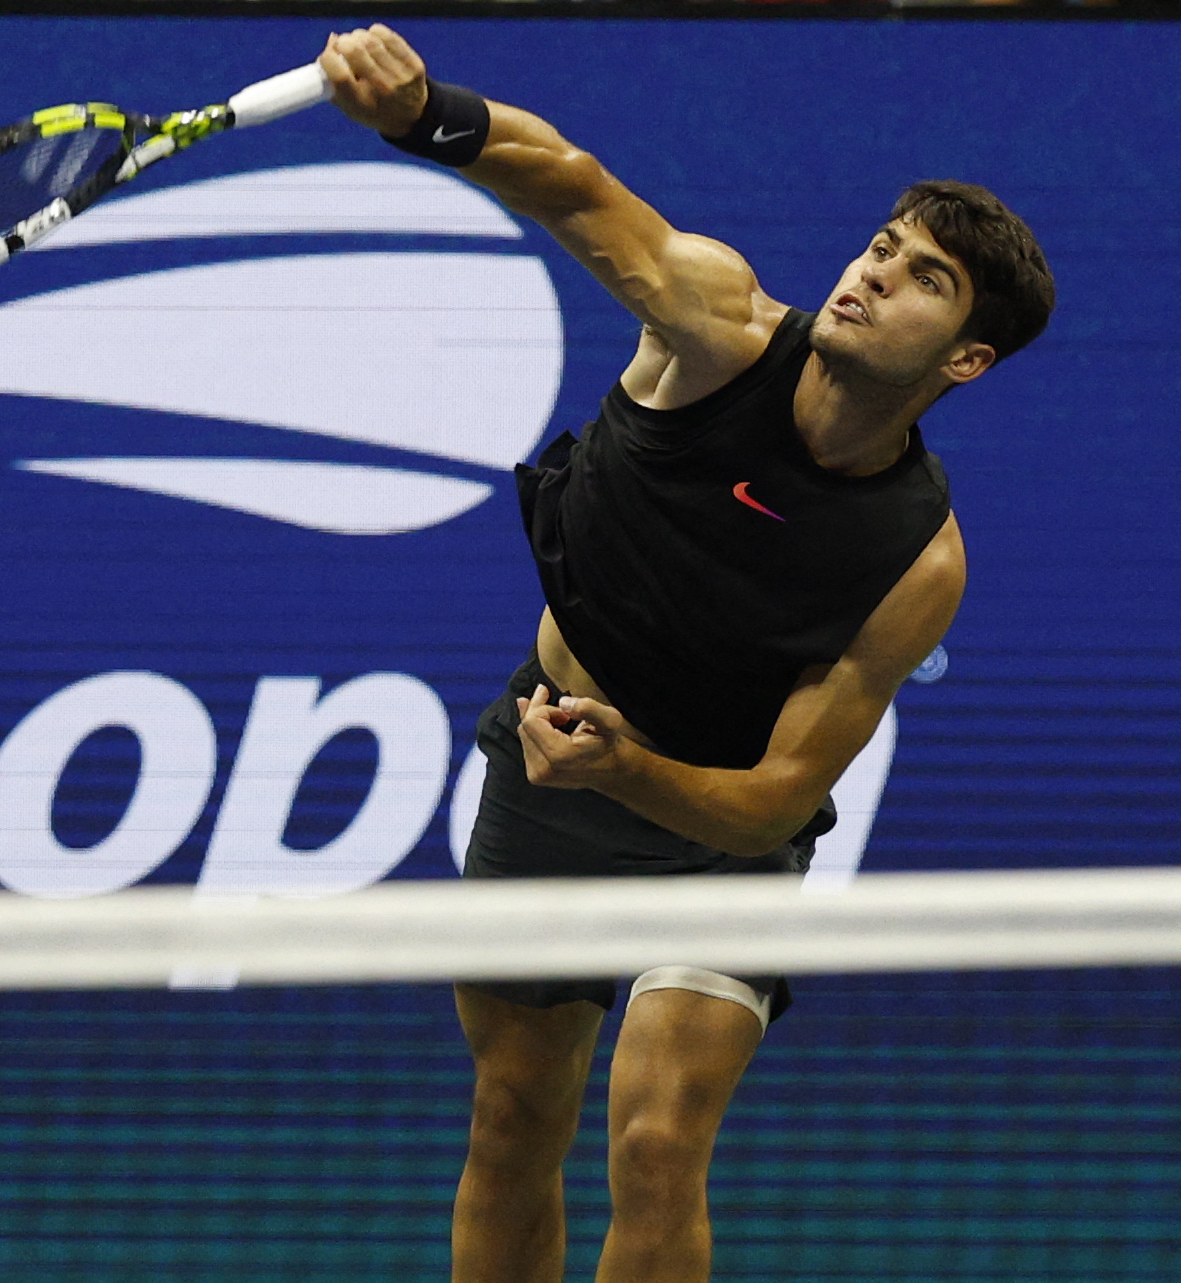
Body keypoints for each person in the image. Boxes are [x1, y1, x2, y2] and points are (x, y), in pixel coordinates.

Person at [319, 25, 1055, 1283]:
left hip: (718, 830)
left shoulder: (916, 559)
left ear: (964, 357)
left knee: (657, 1142)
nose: (872, 275)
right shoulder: (712, 325)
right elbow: (572, 179)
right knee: (513, 1116)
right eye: (880, 246)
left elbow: (777, 794)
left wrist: (624, 772)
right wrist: (422, 114)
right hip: (546, 771)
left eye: (920, 278)